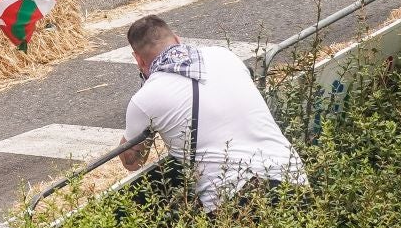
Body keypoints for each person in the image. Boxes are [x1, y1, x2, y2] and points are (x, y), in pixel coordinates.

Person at [119, 14, 306, 213]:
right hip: (292, 175)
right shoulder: (224, 55)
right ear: (177, 40)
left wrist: (144, 128)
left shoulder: (145, 98)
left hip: (233, 197)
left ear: (138, 59)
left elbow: (132, 162)